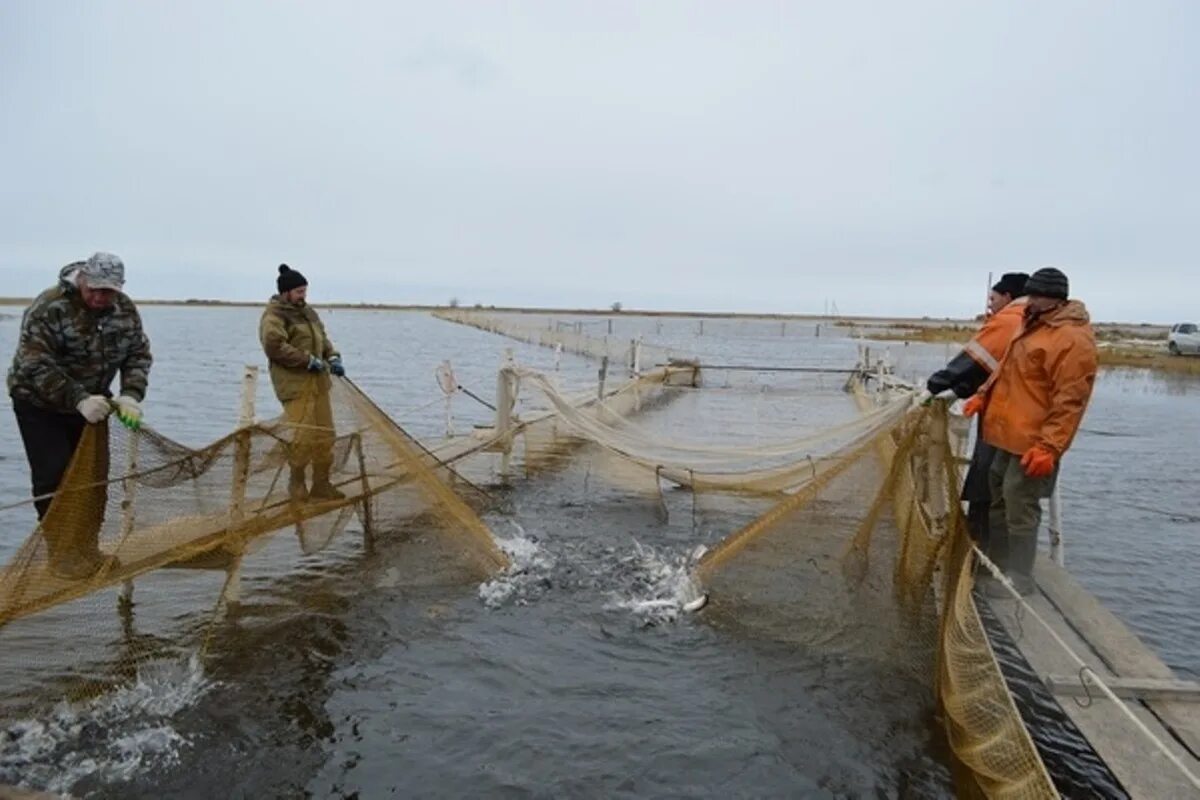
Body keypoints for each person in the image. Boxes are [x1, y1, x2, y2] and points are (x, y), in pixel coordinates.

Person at [7, 253, 152, 578]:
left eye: (109, 291)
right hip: (39, 403)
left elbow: (138, 353)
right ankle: (61, 555)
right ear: (83, 279)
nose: (100, 297)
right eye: (95, 289)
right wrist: (79, 398)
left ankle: (87, 550)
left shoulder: (124, 310)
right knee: (54, 475)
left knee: (93, 481)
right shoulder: (50, 307)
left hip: (94, 406)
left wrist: (131, 394)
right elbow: (34, 363)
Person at [963, 267, 1097, 596]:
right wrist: (983, 395)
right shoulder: (1030, 325)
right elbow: (1006, 368)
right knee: (998, 498)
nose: (1030, 301)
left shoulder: (1072, 339)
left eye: (1036, 296)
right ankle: (996, 566)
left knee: (1020, 502)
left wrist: (1050, 447)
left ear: (1053, 299)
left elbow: (1070, 400)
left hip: (1032, 442)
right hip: (1004, 434)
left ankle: (1018, 578)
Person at [925, 272, 1028, 547]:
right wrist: (960, 391)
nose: (989, 305)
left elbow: (974, 361)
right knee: (1004, 489)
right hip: (1019, 420)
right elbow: (992, 369)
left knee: (989, 482)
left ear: (1008, 296)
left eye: (993, 298)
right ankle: (994, 549)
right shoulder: (1032, 321)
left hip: (1006, 419)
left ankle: (982, 549)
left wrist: (936, 385)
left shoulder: (1010, 319)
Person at [259, 264, 346, 502]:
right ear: (286, 292)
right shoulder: (274, 315)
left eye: (305, 291)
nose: (303, 296)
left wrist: (333, 357)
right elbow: (274, 346)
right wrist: (306, 361)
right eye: (299, 292)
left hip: (319, 385)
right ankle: (296, 484)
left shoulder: (308, 313)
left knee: (326, 435)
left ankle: (321, 484)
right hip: (295, 387)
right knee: (302, 437)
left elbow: (323, 340)